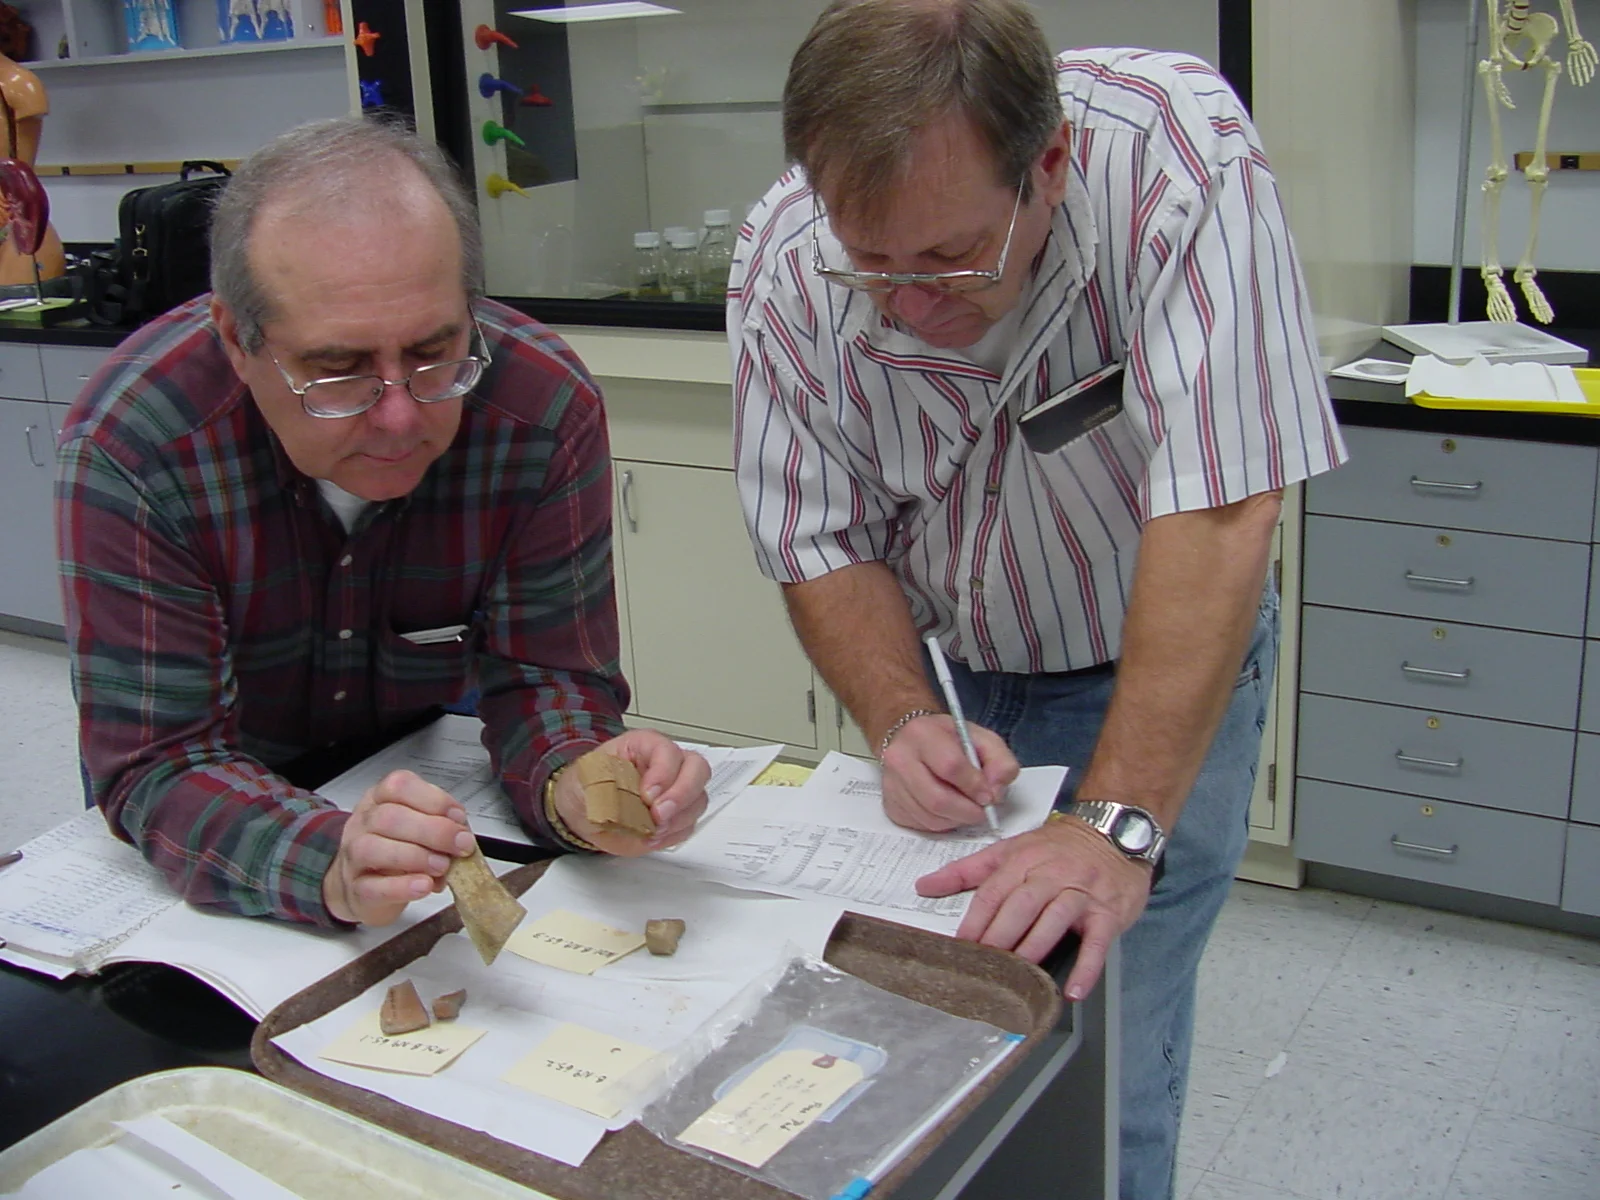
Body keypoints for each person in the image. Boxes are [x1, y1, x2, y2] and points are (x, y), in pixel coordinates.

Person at [730, 3, 1345, 1196]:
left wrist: (1113, 827)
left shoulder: (1174, 154)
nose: (908, 304)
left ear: (1049, 163)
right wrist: (902, 717)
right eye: (873, 265)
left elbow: (1221, 507)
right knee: (927, 1029)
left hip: (1154, 668)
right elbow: (816, 534)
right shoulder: (784, 256)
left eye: (950, 259)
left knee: (1101, 1050)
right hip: (958, 674)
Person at [58, 116, 709, 931]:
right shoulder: (137, 444)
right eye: (338, 369)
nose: (401, 418)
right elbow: (160, 759)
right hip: (217, 823)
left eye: (435, 352)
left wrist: (576, 781)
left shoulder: (540, 411)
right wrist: (324, 861)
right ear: (235, 339)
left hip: (416, 772)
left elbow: (548, 676)